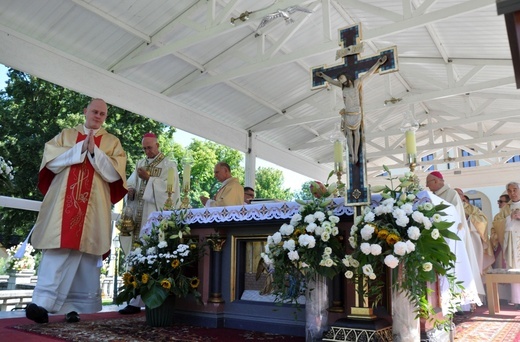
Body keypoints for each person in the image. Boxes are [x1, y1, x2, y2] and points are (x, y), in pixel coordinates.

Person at [25, 98, 127, 324]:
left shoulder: (112, 142)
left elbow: (114, 174)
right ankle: (41, 303)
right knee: (57, 248)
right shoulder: (67, 135)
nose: (98, 116)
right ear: (85, 111)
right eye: (95, 111)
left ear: (105, 117)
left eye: (102, 113)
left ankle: (74, 308)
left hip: (93, 207)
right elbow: (51, 161)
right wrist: (81, 148)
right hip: (64, 205)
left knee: (85, 257)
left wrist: (95, 153)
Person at [118, 132, 180, 315]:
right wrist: (129, 190)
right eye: (144, 148)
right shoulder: (140, 163)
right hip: (138, 217)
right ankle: (133, 301)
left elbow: (171, 192)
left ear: (158, 145)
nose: (147, 151)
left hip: (154, 219)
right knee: (135, 256)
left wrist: (149, 179)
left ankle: (151, 299)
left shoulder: (169, 165)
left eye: (150, 147)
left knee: (150, 256)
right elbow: (130, 182)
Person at [426, 171, 485, 310]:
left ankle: (459, 305)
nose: (426, 186)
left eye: (428, 182)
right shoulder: (433, 196)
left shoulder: (451, 194)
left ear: (435, 181)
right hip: (438, 237)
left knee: (455, 268)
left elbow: (454, 216)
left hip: (451, 237)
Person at [315, 55, 387, 164]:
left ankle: (356, 153)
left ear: (346, 76)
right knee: (349, 134)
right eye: (339, 79)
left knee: (356, 133)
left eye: (341, 77)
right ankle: (352, 154)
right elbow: (330, 81)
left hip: (356, 112)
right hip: (348, 113)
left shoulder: (356, 83)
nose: (340, 80)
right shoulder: (342, 86)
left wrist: (378, 63)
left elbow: (368, 74)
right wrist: (323, 75)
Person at [491, 182, 520, 308]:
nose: (512, 193)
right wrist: (510, 218)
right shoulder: (505, 210)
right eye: (509, 191)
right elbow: (496, 223)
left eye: (515, 190)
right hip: (513, 245)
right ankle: (518, 300)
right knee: (515, 267)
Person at [454, 188, 494, 274]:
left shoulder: (472, 208)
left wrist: (469, 217)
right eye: (454, 193)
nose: (457, 196)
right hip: (455, 240)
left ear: (462, 196)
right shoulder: (449, 207)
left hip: (472, 240)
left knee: (473, 265)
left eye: (459, 194)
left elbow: (483, 221)